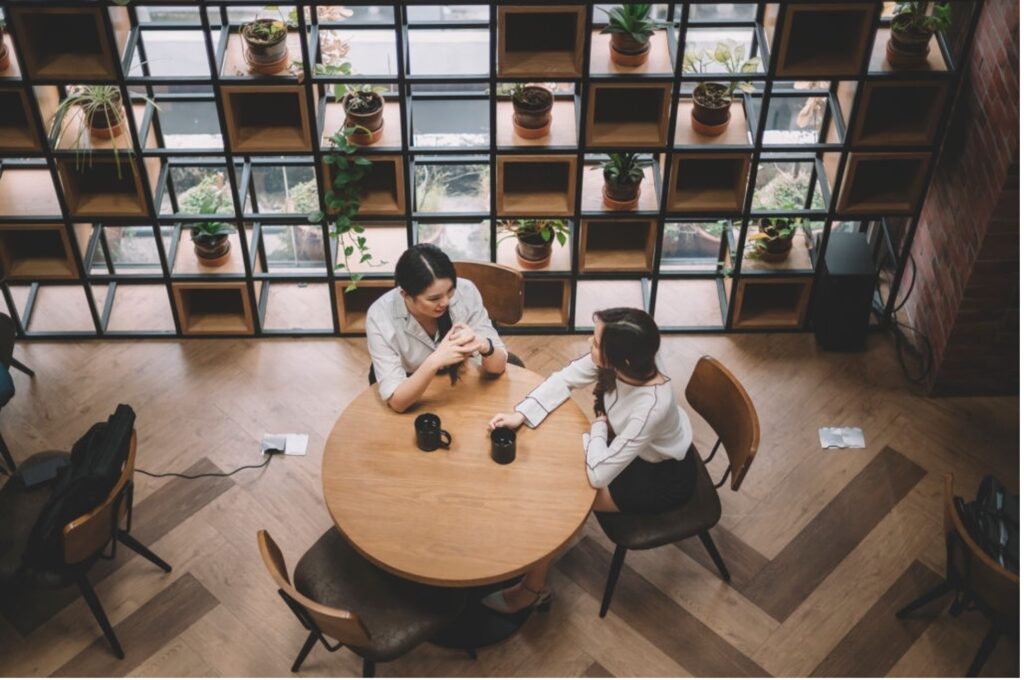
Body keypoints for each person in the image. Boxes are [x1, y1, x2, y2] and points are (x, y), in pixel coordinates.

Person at [482, 307, 696, 613]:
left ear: (621, 358)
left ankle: (533, 589)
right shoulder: (628, 362)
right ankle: (529, 551)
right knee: (548, 463)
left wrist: (598, 425)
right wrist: (521, 415)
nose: (588, 344)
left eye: (595, 343)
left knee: (559, 502)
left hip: (657, 476)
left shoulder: (651, 406)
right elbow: (566, 379)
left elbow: (597, 475)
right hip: (623, 445)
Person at [366, 244, 509, 413]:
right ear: (406, 295)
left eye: (450, 291)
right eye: (434, 298)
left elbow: (498, 367)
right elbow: (398, 402)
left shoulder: (466, 291)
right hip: (413, 385)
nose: (446, 302)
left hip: (462, 381)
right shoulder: (380, 317)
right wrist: (436, 359)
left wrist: (485, 346)